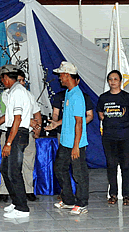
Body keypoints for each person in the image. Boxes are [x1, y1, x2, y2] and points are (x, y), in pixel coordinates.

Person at [0, 65, 33, 219]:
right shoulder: (12, 92)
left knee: (14, 171)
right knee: (5, 169)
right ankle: (16, 201)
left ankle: (22, 208)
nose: (2, 81)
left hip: (17, 134)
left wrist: (8, 143)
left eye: (2, 78)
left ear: (6, 78)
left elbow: (17, 119)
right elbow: (9, 116)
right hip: (15, 132)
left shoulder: (18, 92)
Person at [45, 61, 89, 215]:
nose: (59, 78)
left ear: (68, 75)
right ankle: (69, 200)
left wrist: (76, 146)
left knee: (79, 173)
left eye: (61, 75)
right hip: (65, 141)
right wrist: (57, 124)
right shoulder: (69, 93)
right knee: (59, 168)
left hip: (75, 143)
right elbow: (70, 117)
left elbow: (79, 122)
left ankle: (82, 203)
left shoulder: (77, 95)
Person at [0, 70, 42, 203]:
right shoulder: (7, 94)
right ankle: (10, 195)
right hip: (11, 132)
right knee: (8, 168)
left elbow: (28, 115)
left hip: (21, 133)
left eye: (23, 80)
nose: (21, 83)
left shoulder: (23, 93)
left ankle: (23, 198)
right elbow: (9, 117)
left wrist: (36, 128)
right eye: (20, 80)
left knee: (21, 167)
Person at [96, 70, 129, 206]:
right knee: (111, 165)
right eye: (110, 79)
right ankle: (113, 194)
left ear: (120, 81)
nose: (112, 82)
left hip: (125, 136)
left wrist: (122, 125)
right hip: (109, 136)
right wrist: (111, 125)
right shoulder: (103, 98)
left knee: (125, 165)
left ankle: (126, 195)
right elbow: (101, 114)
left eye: (115, 79)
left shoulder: (127, 97)